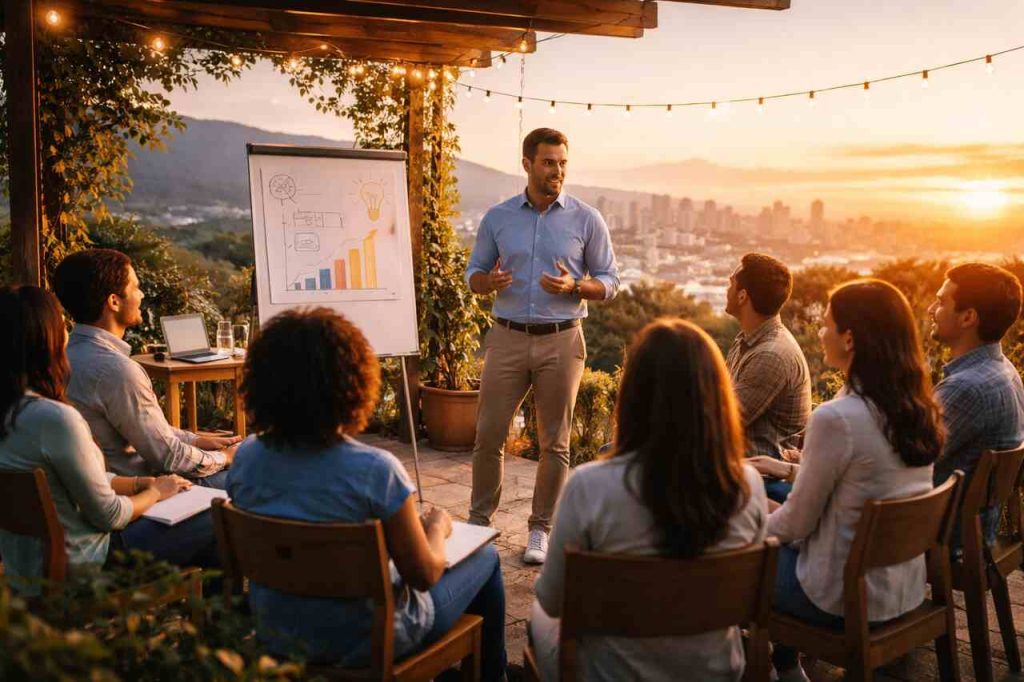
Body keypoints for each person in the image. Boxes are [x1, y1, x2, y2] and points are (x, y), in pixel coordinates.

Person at [227, 308, 507, 680]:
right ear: (352, 384)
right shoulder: (376, 471)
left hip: (277, 631)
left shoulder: (247, 457)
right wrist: (436, 527)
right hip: (365, 641)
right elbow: (423, 575)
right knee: (486, 559)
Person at [530, 318, 768, 681]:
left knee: (538, 613)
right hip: (714, 673)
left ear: (634, 394)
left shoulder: (589, 487)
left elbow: (551, 599)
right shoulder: (747, 486)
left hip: (610, 674)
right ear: (717, 397)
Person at [766, 280, 944, 682]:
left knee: (732, 559)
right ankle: (785, 665)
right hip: (901, 588)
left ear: (850, 339)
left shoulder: (837, 418)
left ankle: (758, 666)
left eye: (826, 324)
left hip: (839, 597)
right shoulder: (917, 408)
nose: (820, 331)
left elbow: (796, 525)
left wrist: (748, 524)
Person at [0, 286, 220, 595]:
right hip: (84, 565)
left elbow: (69, 479)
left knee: (196, 519)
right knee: (217, 513)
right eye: (61, 324)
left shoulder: (14, 411)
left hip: (25, 566)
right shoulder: (54, 418)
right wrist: (156, 491)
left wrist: (139, 483)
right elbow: (111, 515)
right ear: (46, 338)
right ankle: (224, 619)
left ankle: (199, 615)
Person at [465, 127, 619, 564]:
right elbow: (474, 274)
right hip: (507, 338)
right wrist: (486, 282)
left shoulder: (587, 219)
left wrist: (577, 285)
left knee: (556, 443)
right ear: (528, 164)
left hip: (562, 340)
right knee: (487, 435)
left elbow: (611, 282)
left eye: (563, 163)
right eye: (549, 162)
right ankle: (478, 522)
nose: (557, 171)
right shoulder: (498, 218)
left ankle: (540, 530)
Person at [53, 249, 239, 488]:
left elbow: (146, 430)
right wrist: (226, 457)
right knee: (256, 476)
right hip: (144, 490)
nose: (141, 295)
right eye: (135, 287)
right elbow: (168, 457)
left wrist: (196, 440)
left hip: (106, 485)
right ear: (114, 301)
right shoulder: (116, 370)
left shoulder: (65, 356)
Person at [928, 262, 1024, 546]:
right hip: (977, 528)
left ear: (969, 316)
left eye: (941, 302)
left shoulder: (965, 388)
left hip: (945, 534)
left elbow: (905, 458)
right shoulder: (1004, 371)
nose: (931, 310)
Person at [724, 253, 811, 503]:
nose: (727, 288)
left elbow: (721, 420)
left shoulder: (770, 356)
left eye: (731, 283)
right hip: (742, 467)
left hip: (761, 479)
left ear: (743, 296)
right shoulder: (749, 341)